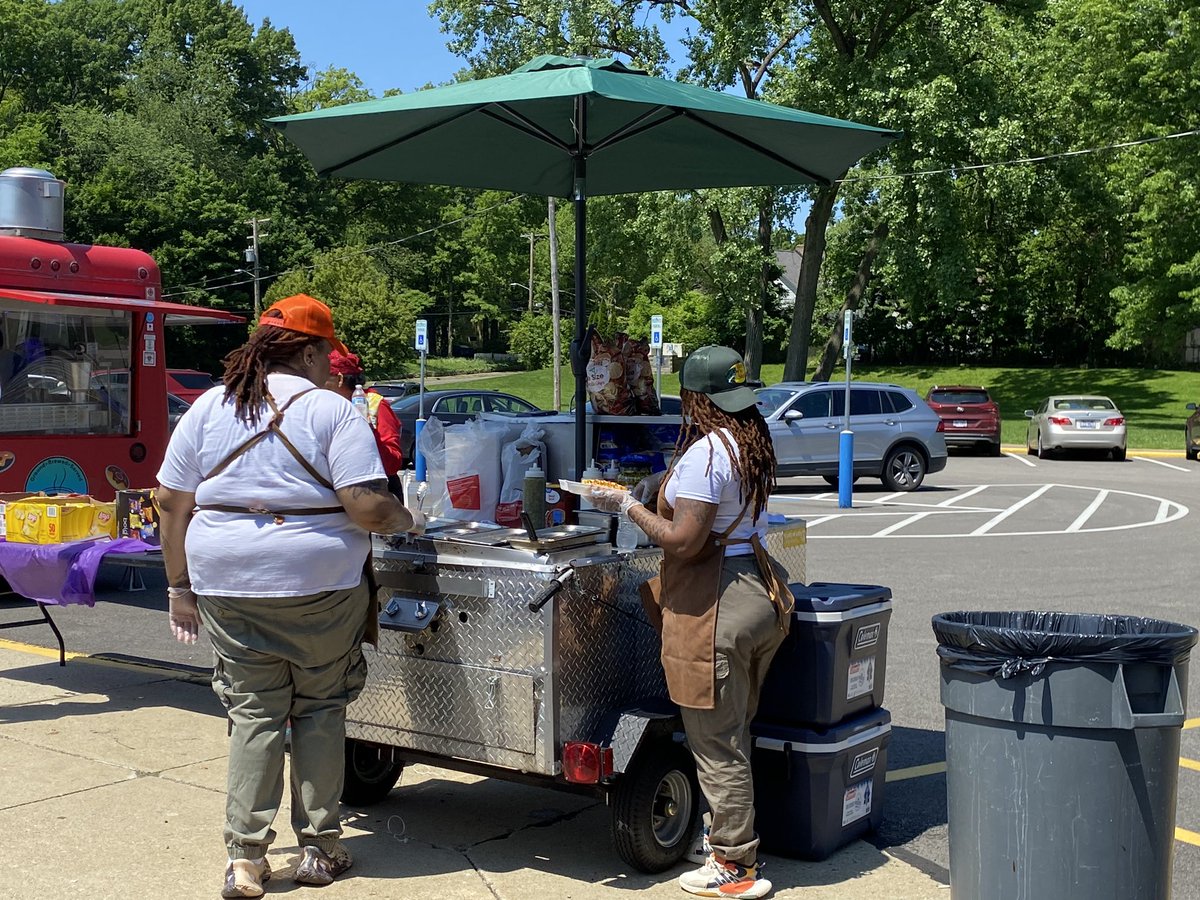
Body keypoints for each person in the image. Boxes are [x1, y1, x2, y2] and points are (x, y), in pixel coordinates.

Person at [155, 293, 425, 899]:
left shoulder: (208, 407)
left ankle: (246, 858)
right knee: (319, 708)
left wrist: (179, 588)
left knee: (254, 714)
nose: (332, 362)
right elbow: (363, 506)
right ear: (306, 350)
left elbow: (171, 502)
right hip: (318, 586)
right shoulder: (332, 410)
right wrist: (408, 518)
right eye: (327, 350)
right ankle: (319, 848)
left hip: (226, 582)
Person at [590, 345, 793, 900]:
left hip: (716, 607)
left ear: (697, 399)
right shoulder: (748, 439)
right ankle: (728, 837)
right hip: (761, 593)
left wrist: (624, 507)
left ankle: (734, 864)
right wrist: (654, 484)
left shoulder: (708, 452)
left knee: (715, 741)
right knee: (734, 732)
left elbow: (684, 540)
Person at [325, 349, 405, 492]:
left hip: (380, 491)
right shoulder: (327, 405)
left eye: (324, 376)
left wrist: (367, 431)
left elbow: (394, 463)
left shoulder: (375, 404)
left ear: (340, 379)